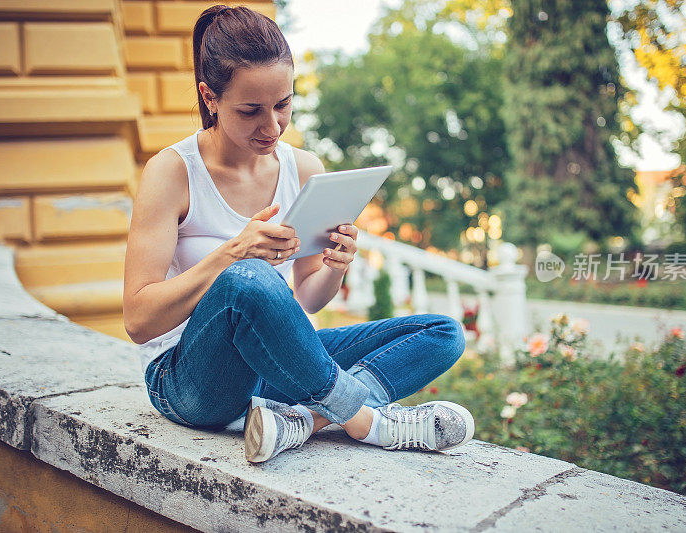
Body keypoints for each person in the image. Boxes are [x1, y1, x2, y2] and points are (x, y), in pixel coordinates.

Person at [123, 4, 475, 463]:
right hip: (190, 380)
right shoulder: (172, 173)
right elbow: (138, 320)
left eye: (283, 105)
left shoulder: (303, 168)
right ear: (209, 98)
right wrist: (232, 254)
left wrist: (335, 267)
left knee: (441, 332)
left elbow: (306, 300)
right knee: (248, 279)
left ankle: (305, 421)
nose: (272, 127)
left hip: (276, 367)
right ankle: (368, 423)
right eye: (251, 111)